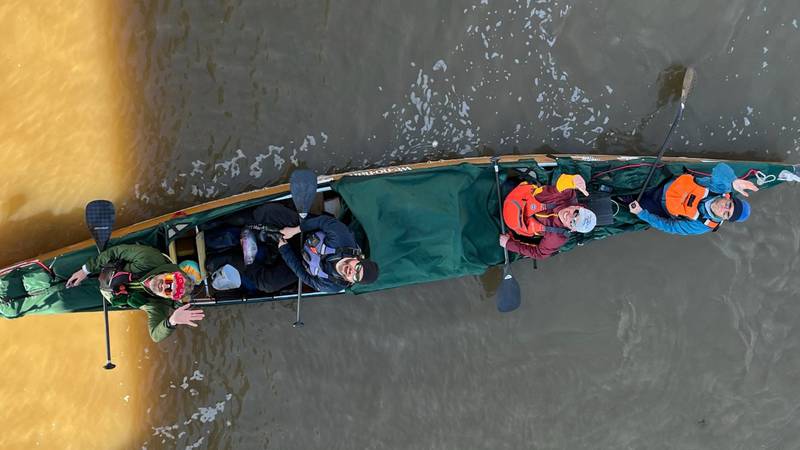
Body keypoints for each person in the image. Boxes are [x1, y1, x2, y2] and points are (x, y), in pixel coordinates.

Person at [206, 203, 379, 293]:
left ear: (352, 281)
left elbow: (304, 275)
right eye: (358, 268)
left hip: (300, 260)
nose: (351, 271)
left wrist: (284, 248)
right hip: (303, 230)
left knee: (267, 284)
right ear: (359, 259)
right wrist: (293, 231)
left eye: (356, 277)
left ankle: (236, 262)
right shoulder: (342, 238)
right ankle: (219, 219)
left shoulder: (333, 285)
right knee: (268, 212)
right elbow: (322, 222)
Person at [65, 244, 205, 343]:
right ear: (168, 273)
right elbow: (115, 252)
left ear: (167, 297)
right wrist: (85, 270)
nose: (163, 285)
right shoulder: (149, 258)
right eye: (169, 280)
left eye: (169, 290)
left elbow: (155, 336)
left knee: (67, 300)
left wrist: (172, 321)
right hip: (103, 271)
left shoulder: (157, 305)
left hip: (107, 295)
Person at [627, 162, 758, 235]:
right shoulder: (720, 189)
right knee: (630, 179)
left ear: (724, 219)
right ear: (729, 198)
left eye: (726, 213)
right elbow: (720, 168)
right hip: (663, 184)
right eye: (729, 205)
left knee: (628, 200)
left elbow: (670, 226)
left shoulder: (701, 226)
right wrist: (733, 181)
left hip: (660, 207)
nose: (723, 208)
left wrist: (641, 213)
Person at [498, 173, 597, 259]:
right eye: (575, 213)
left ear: (573, 229)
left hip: (509, 224)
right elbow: (563, 183)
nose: (568, 216)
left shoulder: (558, 238)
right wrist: (573, 180)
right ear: (577, 206)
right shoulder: (567, 194)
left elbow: (540, 254)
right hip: (513, 193)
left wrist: (509, 244)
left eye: (573, 222)